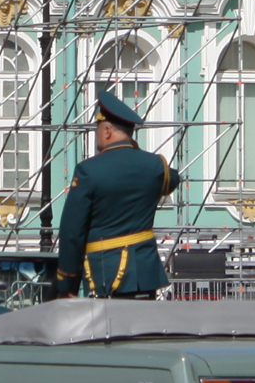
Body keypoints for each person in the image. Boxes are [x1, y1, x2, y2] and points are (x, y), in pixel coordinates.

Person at [56, 90, 180, 299]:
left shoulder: (88, 170)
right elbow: (173, 180)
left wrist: (67, 283)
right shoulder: (156, 166)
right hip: (144, 273)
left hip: (105, 273)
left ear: (107, 131)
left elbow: (72, 232)